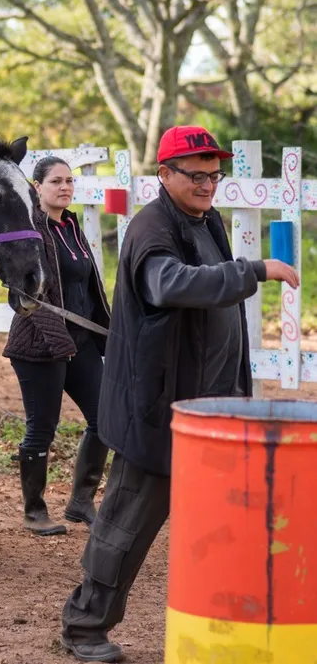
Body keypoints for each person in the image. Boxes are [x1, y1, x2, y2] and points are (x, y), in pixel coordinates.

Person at [59, 125, 300, 662]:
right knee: (125, 526)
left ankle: (220, 618)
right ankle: (83, 627)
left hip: (212, 408)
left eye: (215, 175)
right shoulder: (151, 229)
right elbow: (170, 284)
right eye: (196, 174)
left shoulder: (203, 219)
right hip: (159, 411)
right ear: (164, 175)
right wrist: (254, 269)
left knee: (222, 523)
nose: (208, 184)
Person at [3, 157, 111, 536]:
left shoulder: (71, 226)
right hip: (38, 346)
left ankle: (81, 502)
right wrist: (59, 339)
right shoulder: (27, 231)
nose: (64, 187)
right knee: (41, 430)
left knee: (105, 420)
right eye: (55, 181)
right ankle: (35, 511)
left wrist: (108, 338)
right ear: (36, 187)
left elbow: (91, 288)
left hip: (79, 343)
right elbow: (21, 297)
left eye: (69, 181)